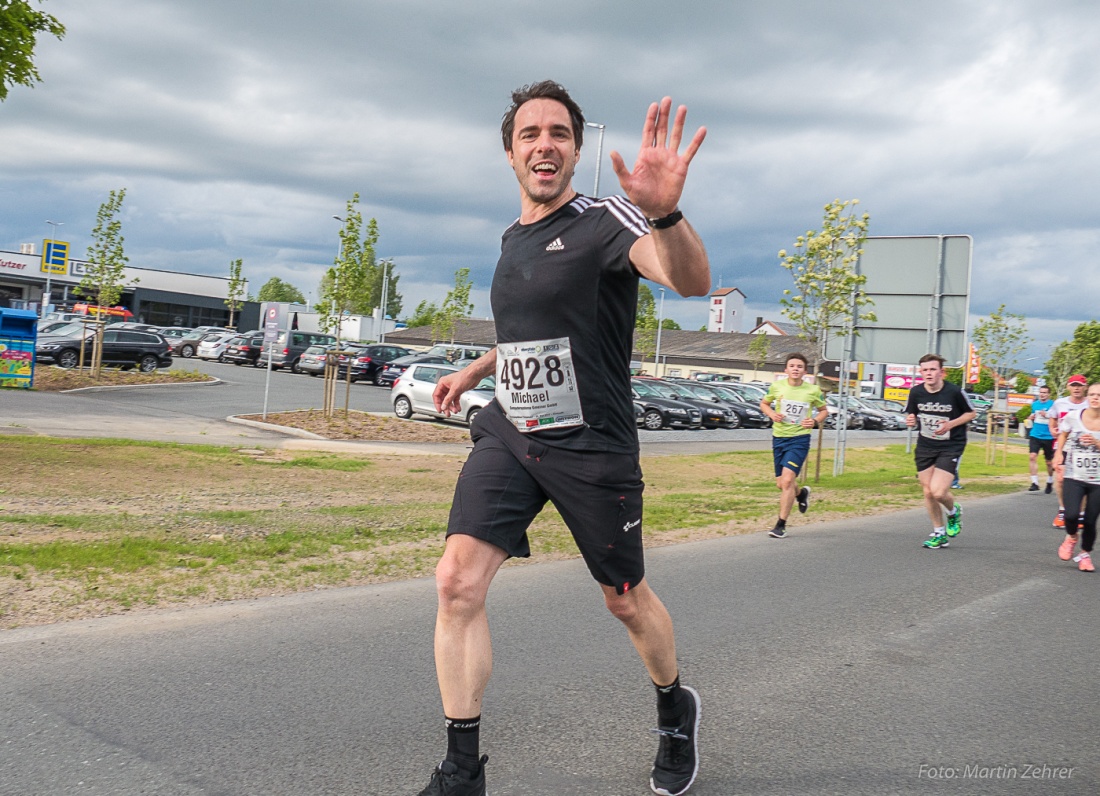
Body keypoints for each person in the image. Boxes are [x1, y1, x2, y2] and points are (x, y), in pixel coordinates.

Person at [418, 81, 710, 796]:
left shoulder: (610, 219)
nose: (544, 144)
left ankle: (675, 708)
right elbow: (539, 328)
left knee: (624, 597)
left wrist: (665, 212)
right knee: (456, 582)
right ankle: (463, 772)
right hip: (513, 429)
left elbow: (690, 281)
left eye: (559, 133)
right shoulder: (513, 235)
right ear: (512, 153)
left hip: (592, 442)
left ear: (577, 150)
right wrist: (480, 365)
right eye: (529, 133)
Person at [904, 354, 977, 549]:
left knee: (938, 492)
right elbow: (912, 414)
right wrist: (911, 421)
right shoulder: (916, 392)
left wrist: (950, 424)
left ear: (941, 372)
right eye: (925, 370)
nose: (929, 373)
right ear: (921, 373)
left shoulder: (954, 392)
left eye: (932, 369)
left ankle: (953, 512)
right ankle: (939, 533)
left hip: (951, 445)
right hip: (926, 445)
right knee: (928, 492)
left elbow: (971, 413)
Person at [758, 353, 828, 538]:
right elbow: (764, 404)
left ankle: (780, 525)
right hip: (779, 437)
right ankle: (801, 494)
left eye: (799, 366)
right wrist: (772, 414)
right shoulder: (777, 386)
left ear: (805, 371)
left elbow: (824, 411)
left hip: (800, 439)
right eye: (792, 366)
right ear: (786, 369)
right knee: (781, 484)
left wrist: (814, 421)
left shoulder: (812, 390)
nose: (795, 369)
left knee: (788, 480)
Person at [1052, 382, 1100, 571]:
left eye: (1099, 395)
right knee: (1071, 515)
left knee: (1090, 520)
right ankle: (1071, 536)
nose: (1096, 398)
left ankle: (1085, 554)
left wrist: (1096, 442)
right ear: (1088, 397)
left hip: (1098, 480)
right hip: (1075, 475)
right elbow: (1063, 434)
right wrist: (1058, 455)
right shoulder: (1073, 417)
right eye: (1093, 394)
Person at [1049, 374, 1089, 528]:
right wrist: (1052, 429)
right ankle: (1062, 511)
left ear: (1085, 387)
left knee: (1084, 480)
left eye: (1079, 385)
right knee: (1060, 478)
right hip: (1063, 445)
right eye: (1073, 385)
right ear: (1068, 387)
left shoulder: (1090, 403)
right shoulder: (1060, 403)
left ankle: (1080, 514)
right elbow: (1053, 419)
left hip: (1084, 447)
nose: (1076, 388)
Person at [1026, 384, 1056, 493]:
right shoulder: (1035, 404)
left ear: (1048, 394)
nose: (1042, 394)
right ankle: (1035, 482)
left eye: (1044, 392)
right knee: (1032, 456)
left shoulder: (1053, 404)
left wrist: (1047, 415)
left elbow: (1056, 418)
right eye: (1041, 392)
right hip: (1035, 434)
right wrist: (1031, 417)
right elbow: (1032, 415)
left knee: (1049, 462)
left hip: (1048, 436)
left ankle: (1050, 481)